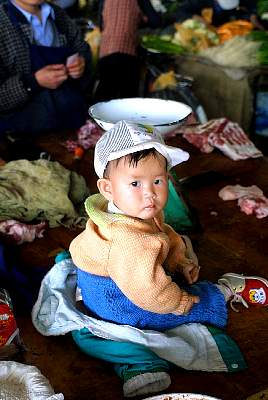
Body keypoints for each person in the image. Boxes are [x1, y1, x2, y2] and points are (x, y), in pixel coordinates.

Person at [70, 120, 268, 333]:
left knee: (165, 251)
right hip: (114, 299)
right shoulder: (128, 241)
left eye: (157, 181)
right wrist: (178, 302)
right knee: (183, 310)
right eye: (135, 183)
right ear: (107, 189)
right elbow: (149, 292)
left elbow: (164, 233)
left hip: (121, 276)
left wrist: (180, 263)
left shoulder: (132, 209)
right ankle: (225, 290)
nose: (150, 193)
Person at [0, 0, 92, 135]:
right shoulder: (3, 24)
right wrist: (33, 82)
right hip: (25, 138)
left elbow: (81, 48)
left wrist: (81, 62)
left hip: (74, 125)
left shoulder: (57, 14)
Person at [93, 0, 162, 102]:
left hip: (106, 51)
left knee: (104, 96)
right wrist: (141, 20)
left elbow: (100, 24)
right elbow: (155, 22)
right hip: (127, 53)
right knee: (128, 101)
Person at [171, 0, 259, 28]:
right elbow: (179, 11)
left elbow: (251, 4)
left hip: (222, 26)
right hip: (201, 27)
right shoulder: (199, 1)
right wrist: (194, 16)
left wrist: (253, 14)